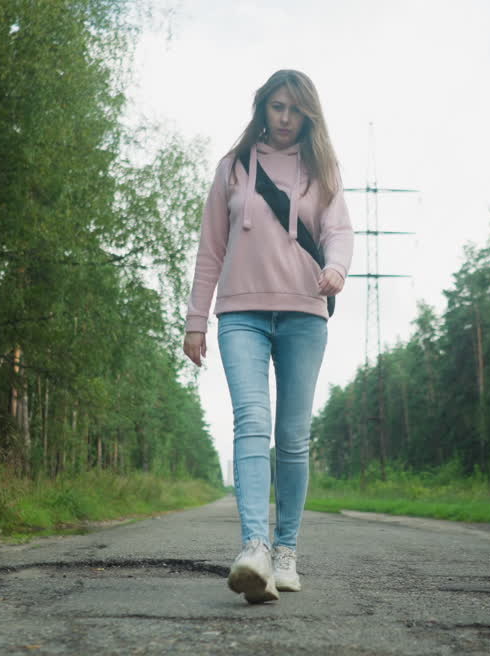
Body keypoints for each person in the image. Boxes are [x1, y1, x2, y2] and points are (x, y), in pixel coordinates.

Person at [182, 69, 354, 604]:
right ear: (263, 108)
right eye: (277, 107)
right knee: (251, 423)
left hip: (304, 312)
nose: (284, 119)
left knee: (293, 437)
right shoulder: (233, 168)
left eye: (294, 110)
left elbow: (338, 231)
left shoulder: (321, 169)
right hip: (241, 314)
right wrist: (195, 319)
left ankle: (286, 552)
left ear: (308, 115)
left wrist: (338, 271)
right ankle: (253, 549)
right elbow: (211, 248)